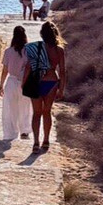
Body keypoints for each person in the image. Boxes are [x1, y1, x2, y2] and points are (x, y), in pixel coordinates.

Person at [22, 21, 66, 153]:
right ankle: (46, 140)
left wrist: (24, 82)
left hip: (37, 82)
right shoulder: (59, 50)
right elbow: (63, 71)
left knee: (36, 113)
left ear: (42, 34)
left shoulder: (36, 47)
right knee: (47, 112)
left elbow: (29, 67)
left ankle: (35, 142)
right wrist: (62, 88)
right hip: (52, 82)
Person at [0, 26, 32, 141]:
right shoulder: (28, 51)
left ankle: (12, 132)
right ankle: (25, 131)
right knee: (25, 107)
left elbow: (5, 70)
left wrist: (1, 85)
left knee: (11, 108)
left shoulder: (8, 51)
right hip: (25, 81)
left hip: (11, 82)